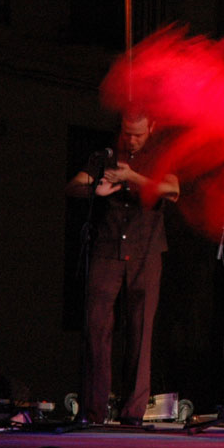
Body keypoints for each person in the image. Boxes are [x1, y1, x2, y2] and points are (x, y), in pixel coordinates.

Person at [65, 112, 179, 425]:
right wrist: (94, 190)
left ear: (152, 128)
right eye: (127, 133)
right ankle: (93, 411)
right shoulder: (107, 154)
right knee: (96, 328)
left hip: (146, 252)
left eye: (138, 134)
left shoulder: (161, 155)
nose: (131, 140)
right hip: (106, 249)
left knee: (140, 332)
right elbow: (73, 185)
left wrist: (134, 178)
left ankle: (133, 413)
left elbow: (172, 190)